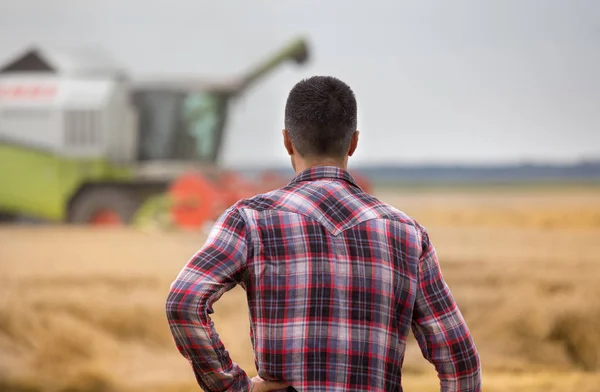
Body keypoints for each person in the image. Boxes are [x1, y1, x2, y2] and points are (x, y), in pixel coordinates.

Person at [165, 76, 482, 392]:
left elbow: (183, 301)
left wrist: (233, 387)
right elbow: (461, 361)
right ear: (354, 143)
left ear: (287, 141)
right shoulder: (408, 235)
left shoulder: (249, 220)